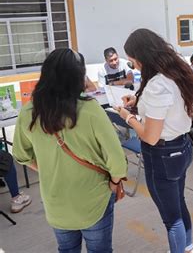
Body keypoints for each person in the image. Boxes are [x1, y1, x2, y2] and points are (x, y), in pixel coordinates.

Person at [13, 48, 128, 253]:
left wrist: (48, 168)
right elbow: (117, 161)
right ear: (78, 75)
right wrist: (114, 182)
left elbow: (21, 155)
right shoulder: (90, 109)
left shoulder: (29, 112)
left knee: (66, 249)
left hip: (56, 201)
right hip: (94, 200)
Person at [116, 28, 193, 253]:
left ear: (142, 56)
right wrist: (137, 100)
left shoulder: (156, 85)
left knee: (171, 218)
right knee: (178, 201)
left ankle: (179, 249)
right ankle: (188, 245)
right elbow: (169, 106)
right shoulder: (175, 72)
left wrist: (129, 117)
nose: (133, 66)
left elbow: (150, 137)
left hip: (162, 155)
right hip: (181, 148)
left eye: (132, 61)